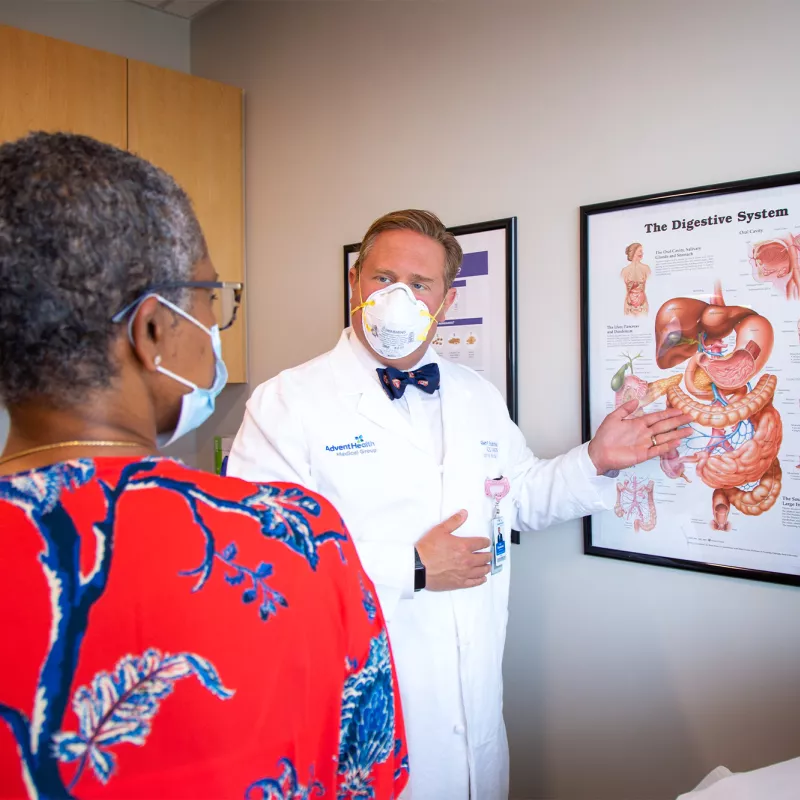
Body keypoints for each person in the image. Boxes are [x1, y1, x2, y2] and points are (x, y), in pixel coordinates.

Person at [226, 209, 691, 800]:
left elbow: (516, 497)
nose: (398, 296)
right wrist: (411, 567)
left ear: (444, 303)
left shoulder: (475, 394)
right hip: (357, 718)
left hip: (474, 714)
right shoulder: (288, 403)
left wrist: (596, 458)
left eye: (419, 285)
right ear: (355, 286)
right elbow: (259, 557)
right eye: (382, 278)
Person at [0, 133, 408, 799]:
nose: (215, 326)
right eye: (211, 301)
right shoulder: (294, 538)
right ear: (153, 329)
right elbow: (367, 777)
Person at [621, 241, 652, 316]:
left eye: (642, 251)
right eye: (640, 251)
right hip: (629, 305)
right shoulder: (624, 270)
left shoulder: (646, 268)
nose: (642, 253)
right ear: (633, 252)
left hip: (643, 305)